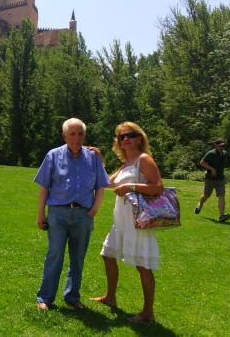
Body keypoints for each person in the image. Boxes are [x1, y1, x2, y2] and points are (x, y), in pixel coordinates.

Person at [90, 122, 164, 323]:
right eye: (121, 136)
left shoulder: (144, 159)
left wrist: (131, 186)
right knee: (107, 254)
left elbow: (158, 187)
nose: (125, 139)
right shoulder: (127, 163)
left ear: (139, 138)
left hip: (138, 222)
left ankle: (148, 313)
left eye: (130, 135)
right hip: (121, 221)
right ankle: (110, 297)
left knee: (142, 265)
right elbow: (107, 182)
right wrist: (99, 160)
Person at [34, 118, 110, 311]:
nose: (76, 138)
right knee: (54, 255)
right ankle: (45, 298)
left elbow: (101, 185)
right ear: (65, 136)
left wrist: (94, 209)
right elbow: (44, 187)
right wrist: (40, 214)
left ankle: (72, 296)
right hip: (58, 213)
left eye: (80, 134)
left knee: (78, 258)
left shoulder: (93, 157)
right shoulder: (53, 155)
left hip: (83, 215)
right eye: (72, 134)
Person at [195, 139, 230, 223]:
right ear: (216, 145)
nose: (222, 147)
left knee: (221, 195)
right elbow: (202, 162)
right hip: (210, 179)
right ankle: (200, 204)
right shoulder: (211, 153)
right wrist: (212, 169)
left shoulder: (225, 153)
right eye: (220, 146)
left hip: (220, 179)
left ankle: (221, 215)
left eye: (223, 146)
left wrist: (224, 176)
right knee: (206, 196)